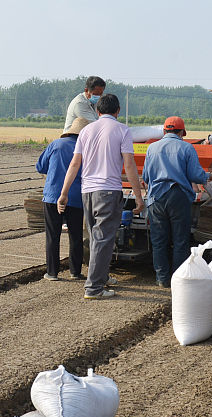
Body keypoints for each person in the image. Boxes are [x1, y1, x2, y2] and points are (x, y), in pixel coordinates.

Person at [57, 94, 146, 300]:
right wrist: (139, 197)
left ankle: (102, 276)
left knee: (96, 237)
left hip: (87, 191)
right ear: (118, 111)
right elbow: (130, 165)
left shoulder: (86, 131)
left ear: (97, 112)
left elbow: (74, 164)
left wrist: (64, 193)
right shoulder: (122, 130)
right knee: (103, 239)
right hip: (108, 190)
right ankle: (94, 288)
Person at [142, 116, 211, 288]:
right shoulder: (187, 147)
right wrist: (208, 177)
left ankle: (162, 278)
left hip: (156, 198)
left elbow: (145, 177)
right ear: (181, 132)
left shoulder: (152, 148)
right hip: (179, 197)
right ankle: (178, 279)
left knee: (159, 240)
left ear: (165, 131)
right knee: (180, 239)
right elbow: (195, 175)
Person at [36, 117, 89, 281]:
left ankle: (52, 272)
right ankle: (75, 272)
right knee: (75, 236)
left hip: (52, 196)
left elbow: (40, 167)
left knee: (53, 235)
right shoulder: (85, 149)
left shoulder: (55, 144)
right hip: (76, 197)